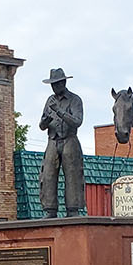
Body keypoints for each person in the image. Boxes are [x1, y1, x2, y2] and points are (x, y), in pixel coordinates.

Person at [38, 67, 85, 217]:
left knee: (73, 174)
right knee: (48, 175)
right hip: (52, 140)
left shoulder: (75, 99)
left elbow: (77, 121)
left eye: (57, 83)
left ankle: (73, 209)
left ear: (64, 82)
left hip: (69, 140)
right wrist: (46, 120)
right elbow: (41, 126)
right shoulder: (49, 100)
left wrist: (59, 111)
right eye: (53, 84)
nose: (55, 87)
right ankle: (50, 209)